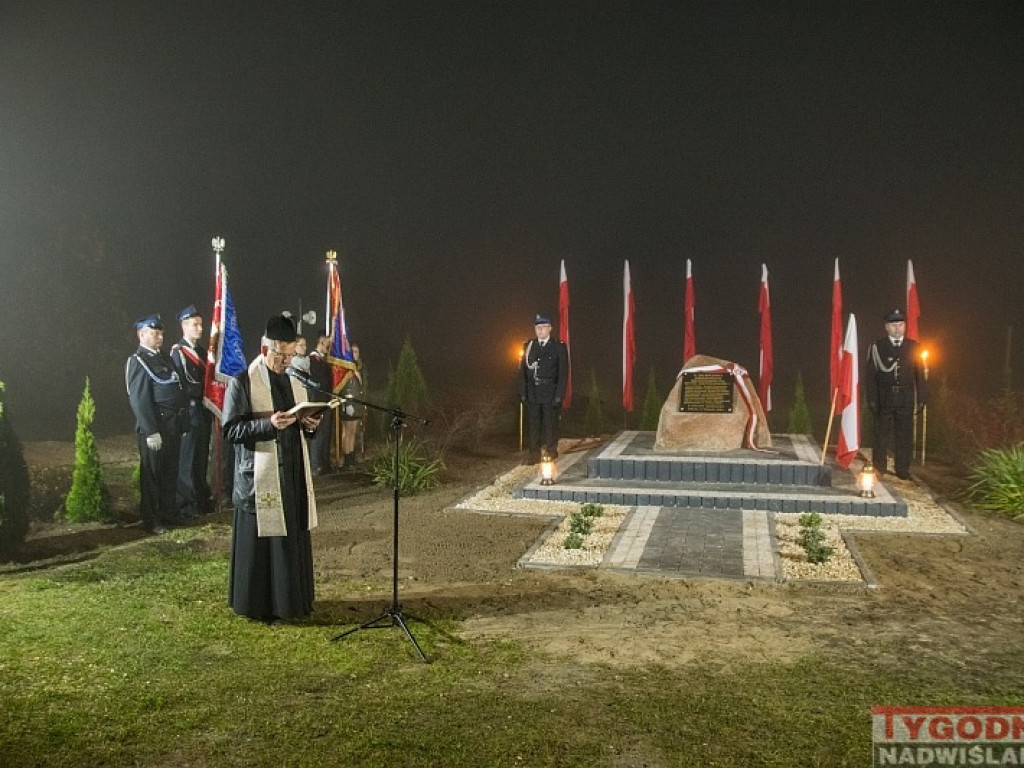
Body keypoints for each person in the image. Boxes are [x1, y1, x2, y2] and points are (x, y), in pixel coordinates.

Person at [223, 315, 323, 623]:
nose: (286, 361)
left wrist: (309, 425)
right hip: (260, 477)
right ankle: (260, 605)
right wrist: (267, 424)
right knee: (266, 545)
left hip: (291, 474)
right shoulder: (243, 381)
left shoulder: (295, 381)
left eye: (291, 355)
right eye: (282, 356)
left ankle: (292, 602)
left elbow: (300, 426)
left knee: (290, 539)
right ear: (266, 349)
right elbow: (231, 430)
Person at [125, 314, 187, 533]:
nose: (160, 336)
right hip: (156, 427)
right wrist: (151, 430)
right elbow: (139, 399)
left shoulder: (163, 358)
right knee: (152, 476)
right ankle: (152, 520)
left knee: (170, 472)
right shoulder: (138, 360)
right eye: (155, 333)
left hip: (172, 425)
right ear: (142, 335)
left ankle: (169, 513)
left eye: (161, 333)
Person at [866, 308, 926, 480]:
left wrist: (921, 398)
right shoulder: (877, 347)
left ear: (905, 326)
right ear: (886, 327)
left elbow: (920, 375)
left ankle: (902, 468)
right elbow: (871, 375)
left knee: (904, 435)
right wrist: (871, 398)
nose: (897, 328)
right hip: (884, 397)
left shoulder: (914, 347)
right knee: (881, 434)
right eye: (893, 324)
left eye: (900, 324)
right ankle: (879, 467)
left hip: (905, 398)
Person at [170, 305, 212, 517]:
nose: (199, 328)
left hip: (204, 412)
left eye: (201, 324)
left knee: (201, 458)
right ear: (184, 326)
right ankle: (185, 505)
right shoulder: (178, 352)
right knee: (187, 460)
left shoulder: (203, 352)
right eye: (195, 324)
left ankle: (201, 500)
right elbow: (183, 384)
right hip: (190, 411)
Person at [518, 313, 569, 463]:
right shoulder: (529, 346)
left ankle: (551, 450)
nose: (539, 330)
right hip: (533, 391)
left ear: (550, 328)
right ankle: (533, 454)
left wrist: (559, 394)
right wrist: (522, 392)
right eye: (537, 327)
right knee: (533, 424)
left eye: (542, 327)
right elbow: (522, 372)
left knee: (550, 422)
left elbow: (563, 373)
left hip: (550, 391)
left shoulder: (558, 347)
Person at [307, 333, 335, 474]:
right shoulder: (313, 359)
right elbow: (319, 382)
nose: (329, 347)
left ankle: (325, 463)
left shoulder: (323, 360)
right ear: (321, 342)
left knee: (326, 433)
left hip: (326, 400)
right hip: (317, 400)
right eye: (328, 344)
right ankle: (316, 464)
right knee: (317, 434)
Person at [338, 344, 365, 469]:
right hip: (348, 403)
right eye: (353, 351)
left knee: (353, 431)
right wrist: (345, 403)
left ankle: (352, 456)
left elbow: (361, 387)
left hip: (357, 403)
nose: (355, 354)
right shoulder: (345, 368)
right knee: (347, 431)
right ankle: (347, 457)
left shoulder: (358, 368)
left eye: (357, 351)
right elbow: (342, 387)